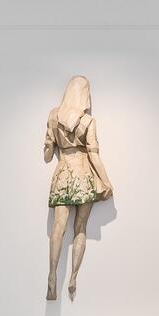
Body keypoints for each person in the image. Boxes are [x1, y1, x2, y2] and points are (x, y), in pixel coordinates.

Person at [43, 76, 113, 301]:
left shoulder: (54, 115)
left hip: (63, 174)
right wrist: (106, 181)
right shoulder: (88, 121)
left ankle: (52, 275)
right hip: (83, 175)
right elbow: (94, 154)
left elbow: (46, 155)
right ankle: (73, 276)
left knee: (58, 228)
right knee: (80, 227)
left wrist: (51, 144)